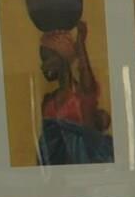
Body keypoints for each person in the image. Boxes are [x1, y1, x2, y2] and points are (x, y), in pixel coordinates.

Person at [35, 21, 114, 165]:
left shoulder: (83, 92)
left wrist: (80, 42)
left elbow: (84, 69)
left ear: (62, 58)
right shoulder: (48, 101)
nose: (43, 66)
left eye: (47, 59)